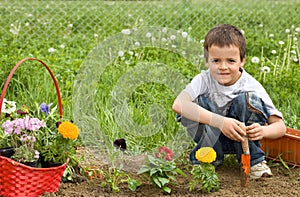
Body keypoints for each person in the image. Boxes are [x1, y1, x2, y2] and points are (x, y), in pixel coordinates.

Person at [172, 24, 286, 179]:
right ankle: (209, 158)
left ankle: (253, 161)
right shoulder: (203, 80)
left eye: (231, 61)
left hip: (243, 138)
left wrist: (263, 131)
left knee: (246, 101)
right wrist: (220, 122)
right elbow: (178, 105)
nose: (223, 67)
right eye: (216, 60)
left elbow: (280, 127)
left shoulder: (251, 85)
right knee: (197, 103)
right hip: (211, 138)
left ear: (242, 61)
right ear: (207, 61)